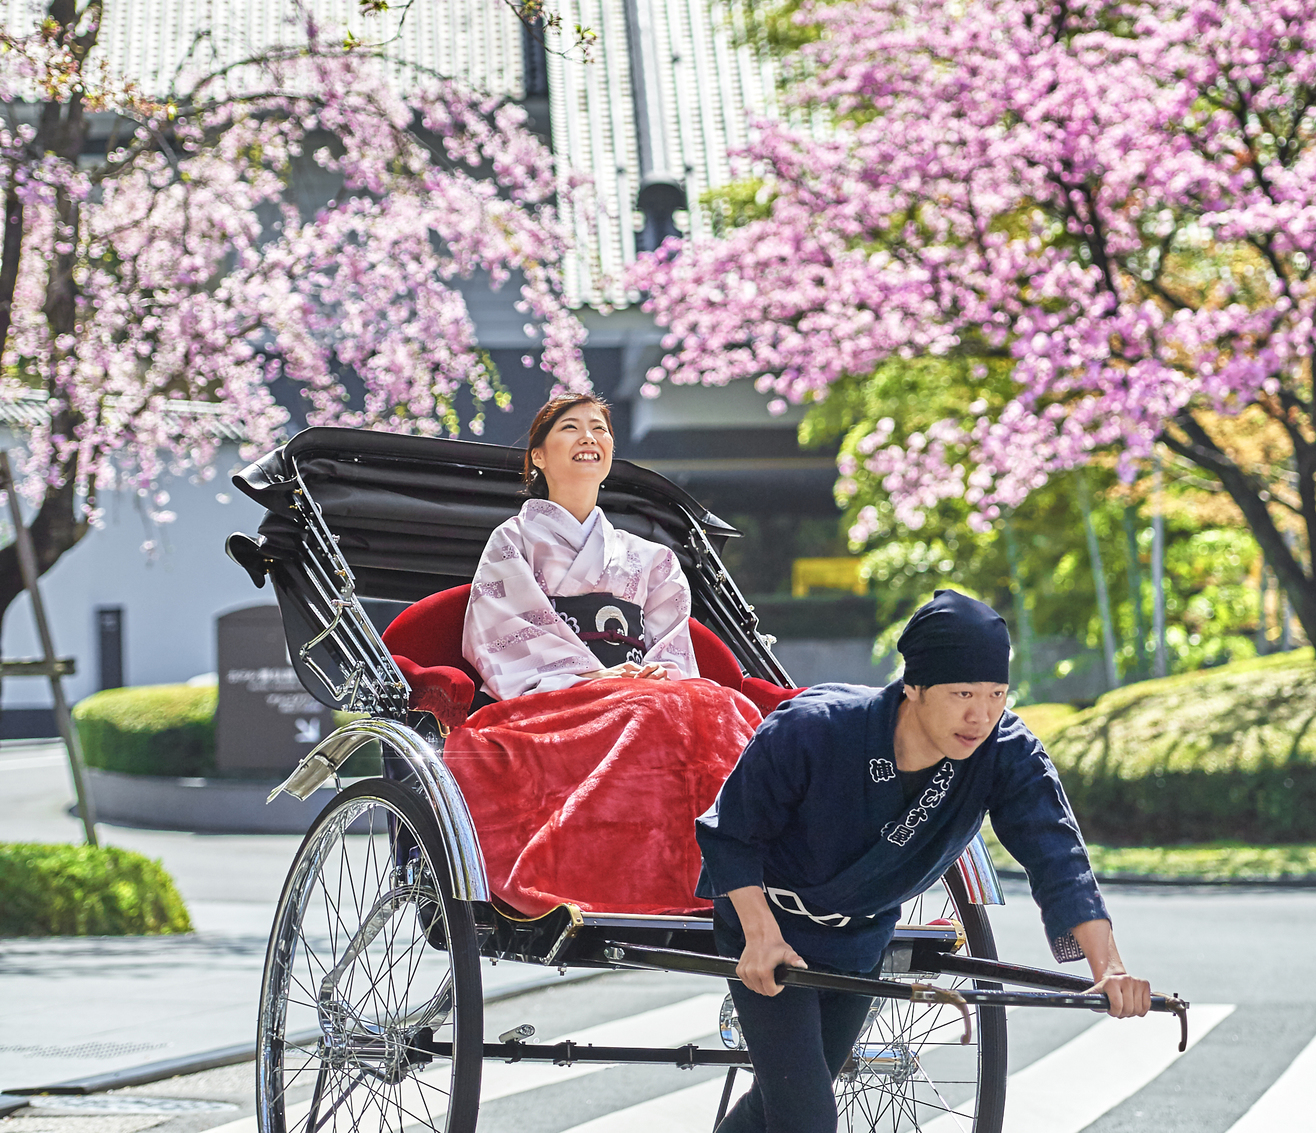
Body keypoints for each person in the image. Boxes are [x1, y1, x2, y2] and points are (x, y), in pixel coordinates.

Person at [696, 589, 1150, 1133]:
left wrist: (1110, 968)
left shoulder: (1006, 751)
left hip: (860, 939)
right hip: (771, 926)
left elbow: (1057, 855)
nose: (980, 715)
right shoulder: (816, 728)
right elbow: (732, 832)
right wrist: (759, 935)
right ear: (913, 686)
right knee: (806, 1118)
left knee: (780, 1105)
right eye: (962, 693)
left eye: (997, 694)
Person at [442, 393, 763, 917]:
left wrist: (660, 673)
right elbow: (506, 629)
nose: (590, 437)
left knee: (722, 705)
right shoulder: (512, 541)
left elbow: (672, 641)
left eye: (600, 428)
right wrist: (601, 678)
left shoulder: (651, 557)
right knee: (651, 710)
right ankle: (649, 883)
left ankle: (744, 874)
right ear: (538, 457)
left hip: (640, 692)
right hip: (554, 702)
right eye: (570, 427)